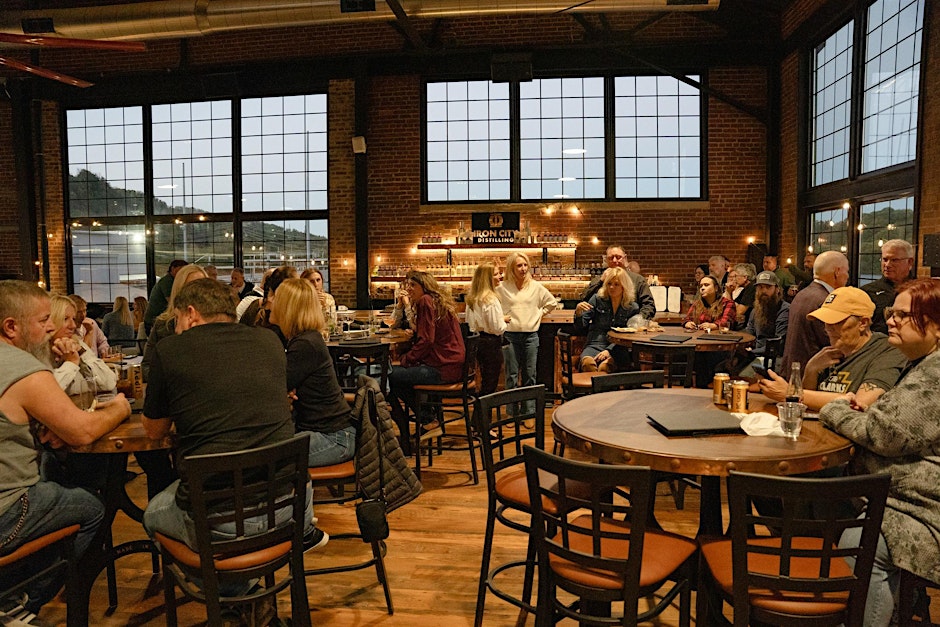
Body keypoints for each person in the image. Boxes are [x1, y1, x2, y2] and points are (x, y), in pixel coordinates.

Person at [141, 278, 324, 579]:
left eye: (176, 320)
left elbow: (154, 431)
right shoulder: (270, 341)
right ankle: (245, 594)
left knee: (151, 514)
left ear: (190, 313)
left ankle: (230, 594)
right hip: (291, 511)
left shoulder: (170, 349)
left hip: (220, 523)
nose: (175, 327)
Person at [0, 281, 131, 616]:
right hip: (7, 512)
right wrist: (120, 409)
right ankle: (19, 603)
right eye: (43, 319)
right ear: (11, 326)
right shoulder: (22, 368)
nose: (50, 326)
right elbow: (83, 431)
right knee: (91, 508)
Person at [821, 278, 940, 627]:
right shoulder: (920, 364)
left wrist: (837, 408)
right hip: (906, 494)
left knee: (862, 542)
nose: (890, 320)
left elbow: (883, 432)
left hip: (924, 507)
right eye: (892, 313)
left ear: (935, 326)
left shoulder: (934, 374)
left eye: (903, 315)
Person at [761, 286, 906, 411]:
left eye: (836, 321)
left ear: (863, 323)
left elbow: (862, 403)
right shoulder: (830, 353)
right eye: (825, 321)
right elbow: (805, 407)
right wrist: (811, 370)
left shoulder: (887, 350)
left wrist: (792, 393)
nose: (827, 328)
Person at [270, 278, 355, 467]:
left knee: (266, 459)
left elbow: (274, 387)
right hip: (328, 432)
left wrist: (284, 392)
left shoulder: (305, 344)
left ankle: (299, 495)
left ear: (287, 306)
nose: (270, 301)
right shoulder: (304, 339)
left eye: (276, 297)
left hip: (334, 437)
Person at [388, 270, 465, 433]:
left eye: (413, 285)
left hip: (441, 368)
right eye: (408, 285)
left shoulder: (425, 301)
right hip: (454, 366)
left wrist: (406, 359)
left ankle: (428, 419)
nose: (409, 289)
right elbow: (432, 335)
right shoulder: (436, 301)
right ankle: (428, 417)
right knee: (395, 375)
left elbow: (427, 341)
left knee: (387, 376)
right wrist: (417, 333)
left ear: (425, 286)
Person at [497, 252, 559, 415]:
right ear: (512, 268)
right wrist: (501, 317)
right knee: (510, 376)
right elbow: (492, 304)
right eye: (519, 265)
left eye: (525, 265)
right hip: (510, 336)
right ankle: (511, 412)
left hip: (531, 336)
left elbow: (551, 302)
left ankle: (529, 412)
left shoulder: (535, 286)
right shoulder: (502, 287)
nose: (523, 269)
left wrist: (538, 314)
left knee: (530, 375)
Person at [779, 250, 849, 374]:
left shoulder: (802, 293)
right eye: (846, 271)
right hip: (811, 374)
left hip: (793, 368)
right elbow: (830, 342)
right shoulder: (826, 300)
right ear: (837, 272)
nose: (848, 276)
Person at [141, 264, 208, 382]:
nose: (198, 292)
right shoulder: (163, 325)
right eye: (191, 287)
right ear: (180, 290)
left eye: (202, 286)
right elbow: (146, 367)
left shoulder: (215, 324)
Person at [578, 267, 639, 373]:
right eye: (609, 283)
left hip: (617, 347)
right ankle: (598, 389)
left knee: (604, 367)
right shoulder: (597, 299)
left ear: (624, 287)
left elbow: (629, 336)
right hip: (595, 343)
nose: (611, 287)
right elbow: (581, 326)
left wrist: (609, 350)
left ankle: (601, 388)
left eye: (616, 284)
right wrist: (578, 313)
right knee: (588, 364)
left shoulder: (632, 307)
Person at [734, 271, 790, 379]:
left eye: (768, 287)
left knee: (743, 376)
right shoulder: (756, 310)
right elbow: (749, 332)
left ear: (777, 289)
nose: (763, 291)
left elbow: (779, 342)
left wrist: (752, 352)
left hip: (774, 358)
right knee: (722, 368)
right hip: (755, 355)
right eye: (760, 287)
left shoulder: (784, 310)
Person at [576, 246, 655, 321]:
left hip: (628, 328)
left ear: (625, 258)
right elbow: (584, 299)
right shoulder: (598, 279)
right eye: (611, 258)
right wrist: (601, 282)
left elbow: (649, 305)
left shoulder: (638, 280)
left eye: (618, 257)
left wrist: (637, 321)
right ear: (606, 260)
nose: (614, 260)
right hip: (602, 328)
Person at [465, 262, 508, 396]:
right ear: (487, 278)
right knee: (490, 383)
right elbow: (497, 328)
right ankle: (482, 415)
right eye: (496, 274)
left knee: (485, 380)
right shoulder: (491, 299)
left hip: (478, 341)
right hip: (491, 343)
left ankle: (481, 414)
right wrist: (504, 321)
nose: (499, 276)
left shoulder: (472, 298)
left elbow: (470, 322)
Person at [862, 239, 915, 334]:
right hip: (878, 345)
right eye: (885, 259)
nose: (887, 265)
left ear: (910, 262)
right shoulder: (867, 292)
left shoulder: (920, 290)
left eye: (894, 260)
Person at [143, 260, 188, 335]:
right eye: (181, 269)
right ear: (173, 268)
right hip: (156, 320)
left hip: (160, 319)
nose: (183, 273)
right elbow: (173, 302)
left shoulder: (170, 280)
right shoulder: (167, 281)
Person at [69, 294, 109, 358]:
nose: (83, 315)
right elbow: (82, 356)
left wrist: (103, 350)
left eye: (84, 311)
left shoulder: (92, 323)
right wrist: (89, 332)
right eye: (79, 312)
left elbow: (102, 341)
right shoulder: (68, 330)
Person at [730, 263, 757, 329]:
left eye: (736, 276)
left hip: (751, 326)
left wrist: (728, 292)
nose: (734, 279)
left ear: (745, 277)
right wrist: (729, 292)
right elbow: (731, 306)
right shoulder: (745, 289)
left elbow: (739, 311)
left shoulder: (751, 288)